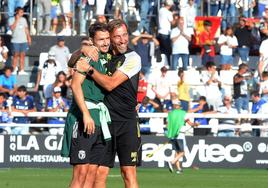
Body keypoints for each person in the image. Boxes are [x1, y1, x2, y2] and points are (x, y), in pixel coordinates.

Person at [76, 19, 141, 188]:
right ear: (110, 38)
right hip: (106, 121)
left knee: (128, 173)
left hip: (127, 122)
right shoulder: (103, 53)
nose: (122, 40)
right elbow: (72, 61)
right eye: (117, 36)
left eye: (125, 35)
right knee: (98, 173)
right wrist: (83, 49)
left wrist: (89, 69)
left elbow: (110, 84)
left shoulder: (133, 58)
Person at [61, 22, 111, 188]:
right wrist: (86, 114)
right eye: (101, 39)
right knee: (81, 173)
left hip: (99, 119)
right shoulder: (88, 56)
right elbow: (75, 85)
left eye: (107, 38)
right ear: (92, 41)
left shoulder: (107, 56)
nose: (105, 42)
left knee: (92, 173)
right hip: (84, 117)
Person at [166, 99, 197, 174]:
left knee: (177, 152)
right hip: (180, 134)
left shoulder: (170, 113)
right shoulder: (183, 113)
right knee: (182, 152)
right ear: (179, 106)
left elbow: (167, 125)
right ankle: (172, 162)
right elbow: (190, 123)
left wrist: (170, 134)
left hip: (172, 135)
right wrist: (196, 124)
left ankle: (179, 169)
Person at [10, 7, 31, 75]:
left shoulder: (24, 19)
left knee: (22, 55)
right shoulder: (11, 19)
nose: (22, 13)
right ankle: (14, 69)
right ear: (17, 12)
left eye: (23, 12)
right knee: (15, 55)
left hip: (24, 40)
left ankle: (21, 70)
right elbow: (12, 28)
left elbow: (26, 29)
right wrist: (16, 20)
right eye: (21, 12)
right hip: (15, 41)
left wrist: (29, 37)